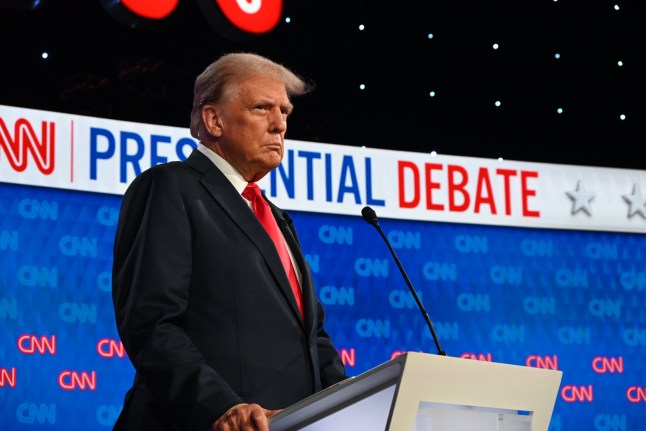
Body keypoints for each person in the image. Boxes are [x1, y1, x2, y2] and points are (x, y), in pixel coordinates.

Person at [111, 52, 347, 431]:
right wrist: (220, 406)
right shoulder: (171, 187)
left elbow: (312, 338)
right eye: (262, 108)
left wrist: (350, 400)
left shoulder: (277, 218)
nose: (279, 125)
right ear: (213, 120)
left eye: (285, 112)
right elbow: (152, 323)